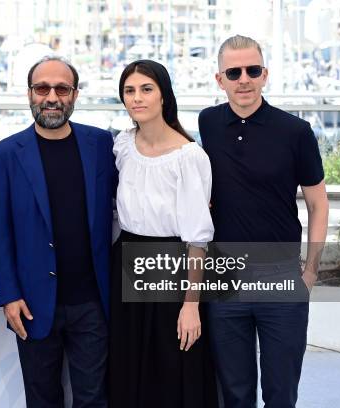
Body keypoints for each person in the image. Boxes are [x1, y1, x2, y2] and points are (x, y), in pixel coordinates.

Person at [199, 35, 329, 408]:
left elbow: (318, 204)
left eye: (252, 70)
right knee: (234, 394)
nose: (244, 79)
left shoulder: (295, 132)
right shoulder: (208, 122)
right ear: (219, 79)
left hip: (282, 276)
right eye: (234, 72)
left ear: (265, 75)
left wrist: (311, 271)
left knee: (281, 392)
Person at [0, 56, 115, 407]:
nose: (52, 97)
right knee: (42, 399)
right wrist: (9, 295)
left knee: (94, 399)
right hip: (31, 303)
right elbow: (0, 233)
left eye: (62, 88)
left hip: (93, 301)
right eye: (42, 88)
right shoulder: (4, 155)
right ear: (29, 94)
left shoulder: (102, 145)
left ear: (74, 94)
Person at [109, 59, 218, 408]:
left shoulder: (189, 157)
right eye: (129, 91)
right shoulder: (123, 145)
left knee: (171, 368)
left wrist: (191, 305)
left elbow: (197, 239)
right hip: (126, 263)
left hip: (172, 271)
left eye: (146, 89)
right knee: (128, 366)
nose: (136, 98)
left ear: (163, 96)